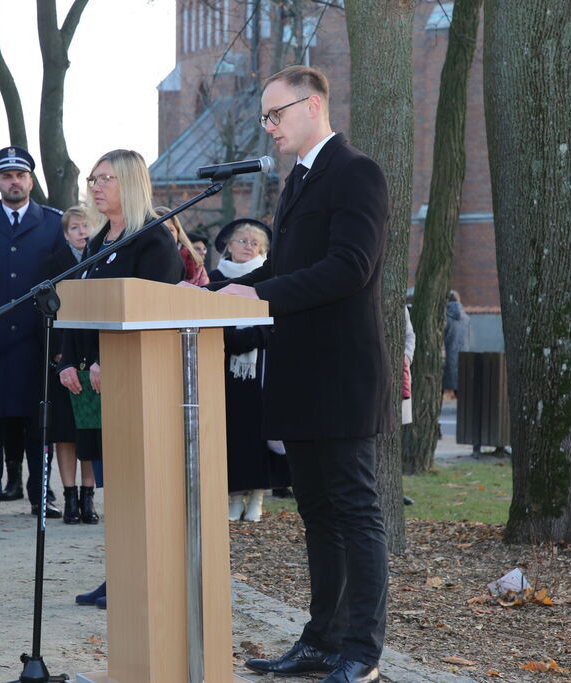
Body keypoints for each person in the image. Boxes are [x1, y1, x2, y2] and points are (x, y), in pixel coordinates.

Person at [204, 66, 391, 683]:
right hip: (299, 375)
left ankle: (361, 648)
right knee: (316, 511)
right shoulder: (297, 183)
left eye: (275, 114)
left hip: (340, 375)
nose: (269, 127)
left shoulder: (356, 171)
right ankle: (321, 640)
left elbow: (350, 268)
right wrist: (214, 292)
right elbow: (281, 269)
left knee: (354, 511)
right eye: (266, 117)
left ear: (312, 106)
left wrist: (257, 300)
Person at [60, 149, 185, 609]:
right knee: (115, 482)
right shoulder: (98, 241)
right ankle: (119, 575)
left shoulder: (152, 239)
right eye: (92, 179)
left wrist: (111, 358)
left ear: (130, 183)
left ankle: (144, 578)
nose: (95, 186)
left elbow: (154, 310)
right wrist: (68, 360)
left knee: (139, 483)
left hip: (134, 380)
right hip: (94, 386)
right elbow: (81, 305)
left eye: (105, 178)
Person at [0, 146, 66, 520]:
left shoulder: (54, 223)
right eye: (7, 176)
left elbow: (62, 286)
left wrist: (57, 341)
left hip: (35, 340)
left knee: (37, 423)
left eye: (20, 175)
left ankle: (41, 494)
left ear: (31, 180)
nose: (14, 182)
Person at [208, 218, 289, 523]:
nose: (247, 247)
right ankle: (232, 495)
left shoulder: (270, 279)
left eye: (255, 243)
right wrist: (231, 338)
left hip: (262, 366)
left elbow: (276, 319)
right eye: (241, 240)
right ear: (228, 245)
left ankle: (256, 497)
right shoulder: (216, 278)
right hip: (223, 366)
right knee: (231, 431)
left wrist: (254, 337)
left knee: (259, 431)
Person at [44, 205, 97, 524]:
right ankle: (69, 497)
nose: (82, 233)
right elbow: (46, 311)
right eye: (75, 228)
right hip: (61, 355)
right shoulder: (54, 264)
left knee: (89, 428)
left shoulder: (103, 261)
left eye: (86, 226)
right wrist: (57, 355)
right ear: (65, 234)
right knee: (65, 432)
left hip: (93, 357)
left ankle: (89, 497)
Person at [155, 206, 208, 285]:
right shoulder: (142, 259)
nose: (166, 234)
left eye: (170, 230)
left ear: (178, 233)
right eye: (161, 229)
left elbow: (205, 293)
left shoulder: (196, 264)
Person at [443, 290, 469, 399]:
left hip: (447, 358)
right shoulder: (467, 318)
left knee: (441, 389)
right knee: (461, 392)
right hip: (463, 358)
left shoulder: (444, 318)